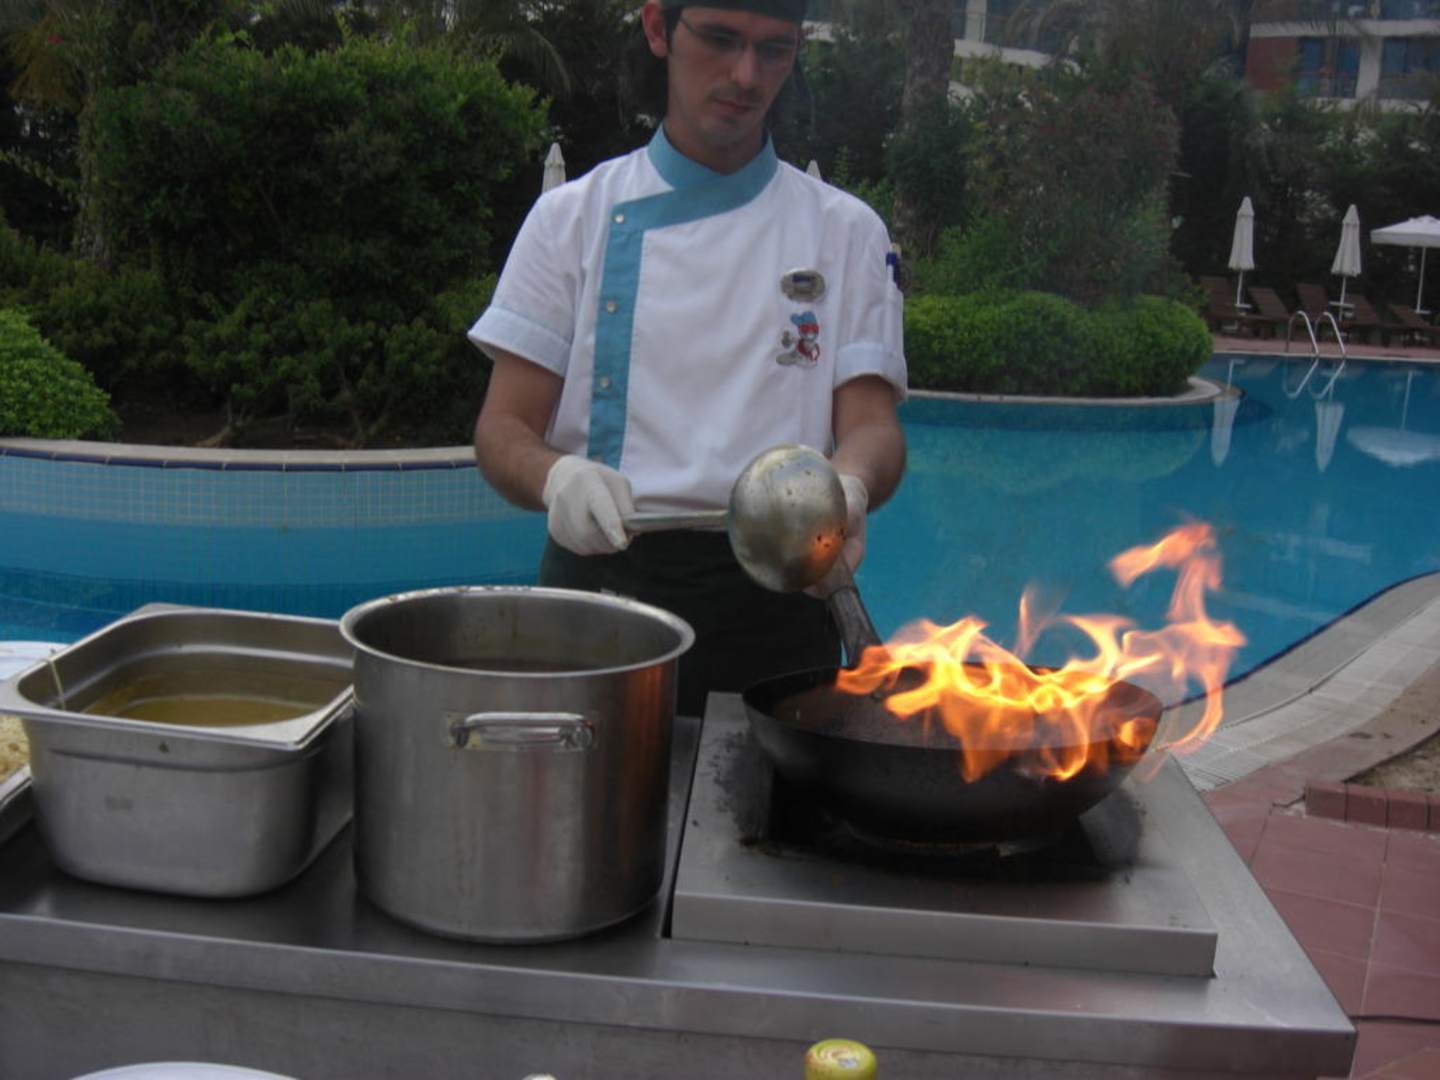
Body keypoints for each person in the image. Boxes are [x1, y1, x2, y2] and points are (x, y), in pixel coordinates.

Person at [470, 0, 907, 716]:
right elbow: (501, 429)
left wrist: (849, 486)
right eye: (721, 39)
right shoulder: (569, 219)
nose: (747, 75)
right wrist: (557, 479)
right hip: (600, 599)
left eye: (774, 49)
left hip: (780, 604)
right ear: (657, 29)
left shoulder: (846, 230)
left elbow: (873, 427)